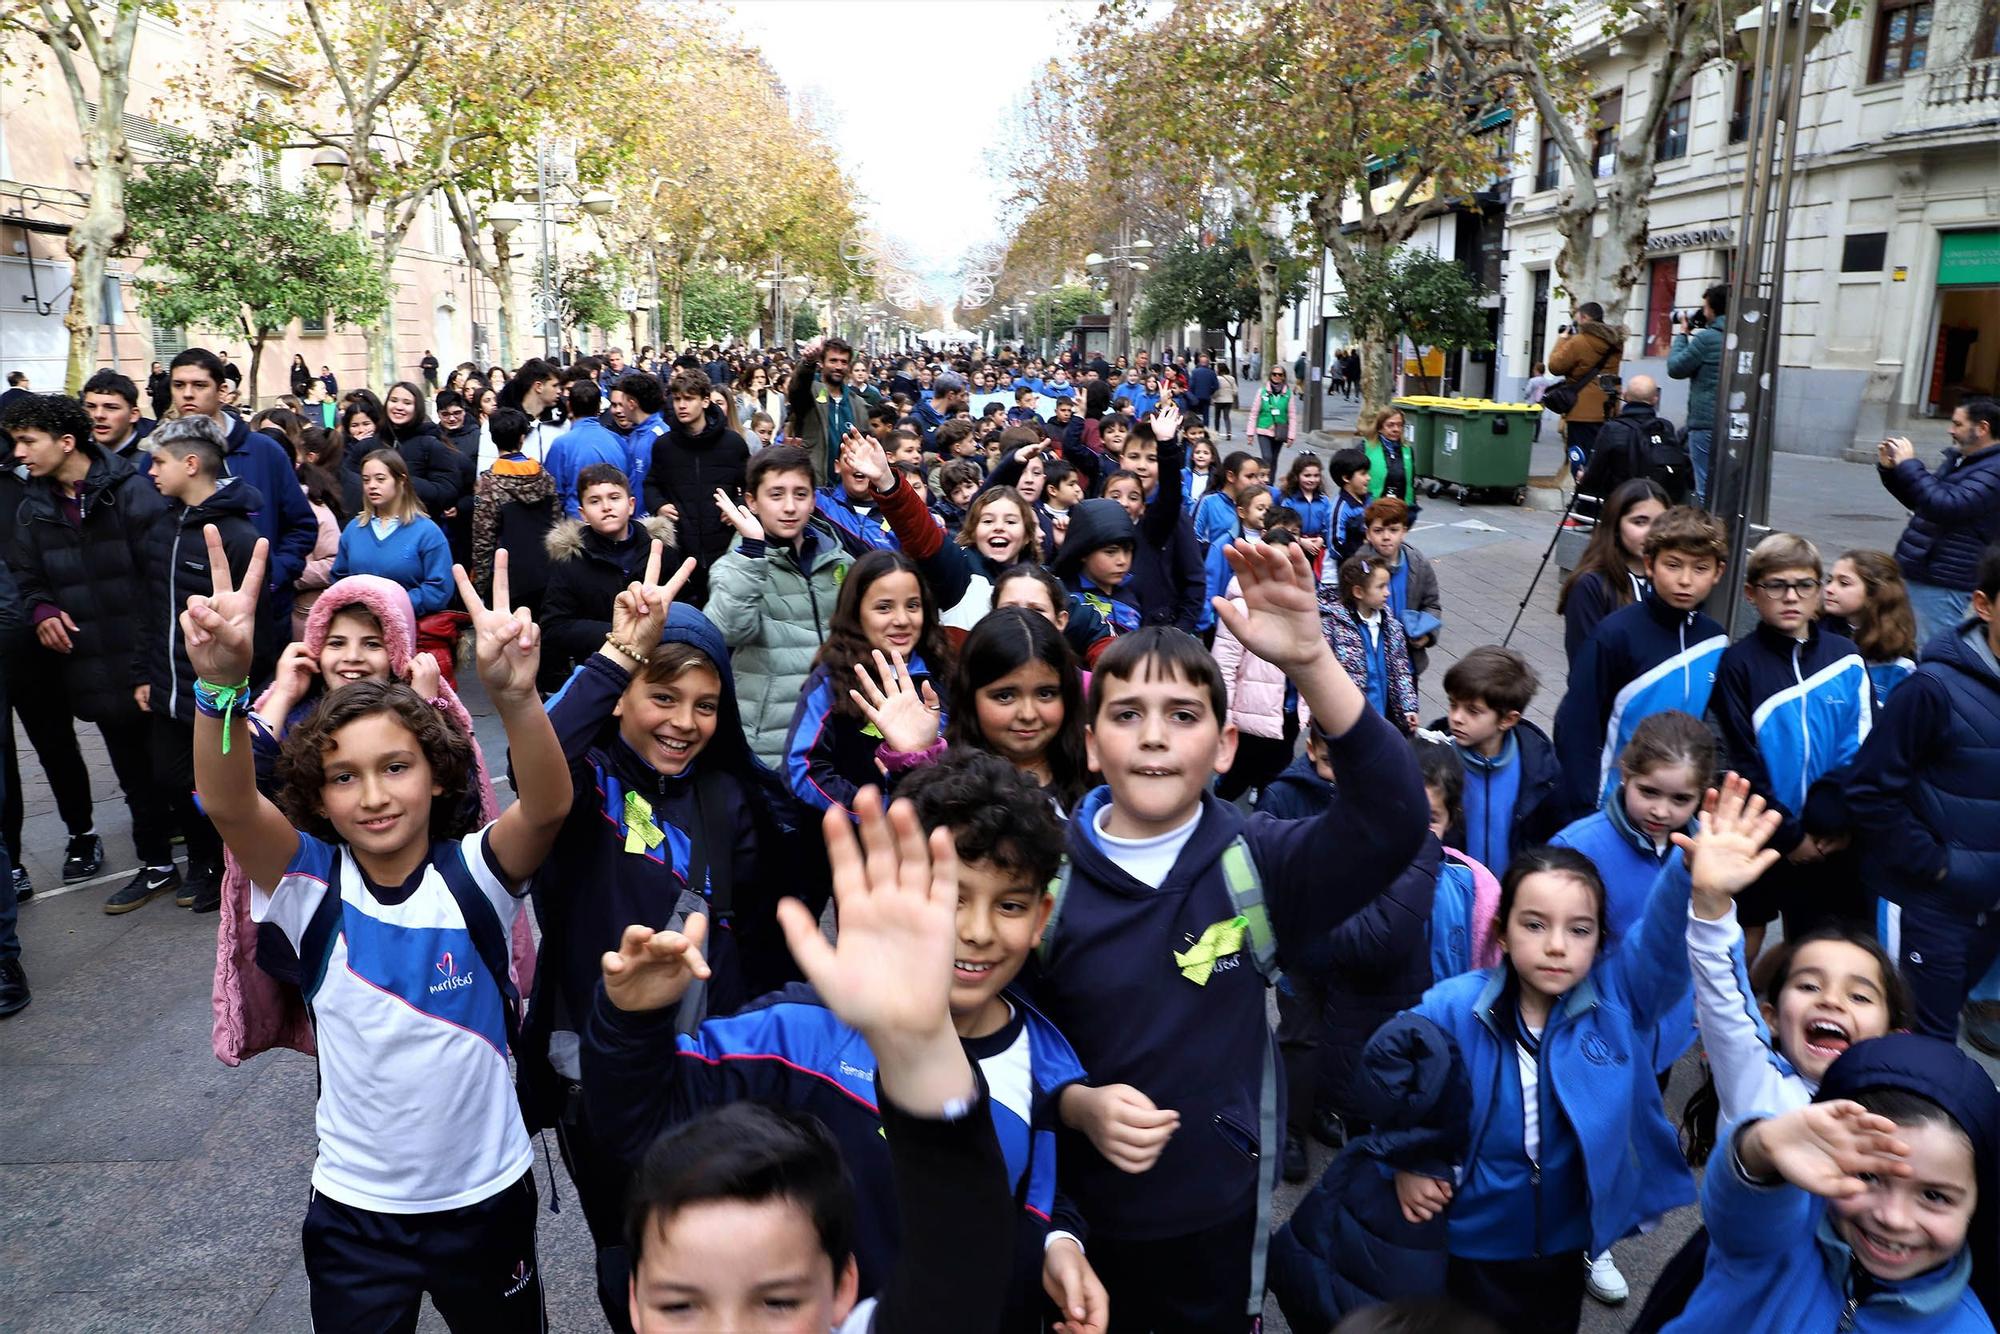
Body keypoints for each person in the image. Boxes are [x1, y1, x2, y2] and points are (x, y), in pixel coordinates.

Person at [1037, 544, 1428, 1330]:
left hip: (1216, 1216)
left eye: (1183, 716)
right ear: (1088, 745)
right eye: (1125, 715)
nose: (1154, 737)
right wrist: (1073, 1104)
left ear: (1223, 747)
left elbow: (1394, 816)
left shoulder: (1261, 859)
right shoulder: (1042, 882)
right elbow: (1000, 1042)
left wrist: (1314, 659)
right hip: (1078, 1224)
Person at [190, 534, 569, 1331]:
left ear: (438, 773)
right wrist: (220, 687)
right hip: (357, 1212)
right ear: (318, 798)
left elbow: (547, 807)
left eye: (395, 767)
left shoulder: (477, 874)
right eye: (343, 776)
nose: (372, 795)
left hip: (487, 1196)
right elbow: (227, 804)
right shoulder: (307, 887)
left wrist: (518, 699)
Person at [521, 553, 821, 1330]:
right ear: (619, 699)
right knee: (630, 1262)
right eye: (661, 696)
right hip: (598, 1072)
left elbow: (769, 923)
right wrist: (615, 656)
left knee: (717, 1252)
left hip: (709, 1068)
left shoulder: (731, 795)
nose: (683, 723)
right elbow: (536, 763)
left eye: (705, 704)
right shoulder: (581, 785)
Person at [602, 786, 1020, 1334]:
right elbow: (641, 1120)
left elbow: (964, 1266)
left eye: (777, 1302)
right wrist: (633, 1023)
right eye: (681, 1305)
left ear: (844, 1287)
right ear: (633, 1298)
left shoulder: (1049, 1058)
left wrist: (919, 1051)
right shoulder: (791, 1031)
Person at [1393, 813, 1753, 1332]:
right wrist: (1412, 1160)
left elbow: (1659, 943)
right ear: (1501, 929)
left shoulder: (1616, 1006)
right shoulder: (1452, 1007)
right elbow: (1397, 1083)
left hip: (1562, 1245)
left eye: (1578, 929)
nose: (1556, 944)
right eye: (1534, 924)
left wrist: (1689, 875)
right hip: (1470, 1243)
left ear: (1600, 940)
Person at [1663, 1033, 2000, 1334]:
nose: (1892, 1217)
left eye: (1934, 1195)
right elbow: (1741, 1208)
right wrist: (1760, 1147)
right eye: (1867, 1174)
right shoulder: (1781, 1234)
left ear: (1977, 1206)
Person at [5, 390, 179, 913]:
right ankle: (156, 867)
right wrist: (41, 610)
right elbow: (26, 577)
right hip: (92, 667)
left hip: (148, 659)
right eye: (15, 442)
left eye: (27, 441)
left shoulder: (129, 490)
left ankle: (214, 862)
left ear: (65, 441)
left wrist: (152, 662)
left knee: (174, 770)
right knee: (130, 775)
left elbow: (160, 579)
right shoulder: (32, 508)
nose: (19, 453)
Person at [1848, 542, 2000, 1042]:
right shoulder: (1933, 688)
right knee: (1914, 1043)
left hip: (1987, 911)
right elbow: (1869, 790)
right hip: (1927, 904)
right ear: (1983, 604)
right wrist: (1937, 865)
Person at [1711, 532, 1873, 950]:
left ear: (1819, 592)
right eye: (1776, 585)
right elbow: (1739, 758)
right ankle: (1733, 1015)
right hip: (1762, 833)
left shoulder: (1846, 659)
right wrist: (1788, 834)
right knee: (1747, 930)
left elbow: (1864, 750)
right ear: (1751, 593)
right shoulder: (1738, 664)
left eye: (1804, 585)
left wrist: (1840, 823)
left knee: (1819, 944)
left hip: (1832, 841)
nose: (1791, 597)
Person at [136, 416, 264, 915]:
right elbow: (150, 606)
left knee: (215, 785)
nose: (151, 471)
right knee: (171, 779)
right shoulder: (162, 525)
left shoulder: (235, 535)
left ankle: (222, 864)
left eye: (160, 461)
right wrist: (143, 673)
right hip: (166, 682)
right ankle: (204, 858)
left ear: (191, 464)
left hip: (213, 691)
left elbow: (257, 630)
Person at [1553, 505, 1729, 821]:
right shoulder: (1615, 635)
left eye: (1700, 568)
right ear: (1650, 564)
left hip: (1677, 808)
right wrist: (1582, 808)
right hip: (1610, 808)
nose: (1686, 580)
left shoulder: (1715, 639)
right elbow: (1577, 725)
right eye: (1673, 565)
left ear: (1718, 572)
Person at [708, 445, 855, 769]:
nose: (790, 507)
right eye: (776, 495)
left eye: (800, 494)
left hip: (836, 731)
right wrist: (752, 551)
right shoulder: (735, 567)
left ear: (814, 499)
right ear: (752, 501)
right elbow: (728, 629)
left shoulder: (841, 562)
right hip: (772, 744)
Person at [783, 549, 952, 819]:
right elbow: (801, 770)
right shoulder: (832, 678)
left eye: (912, 605)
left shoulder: (940, 670)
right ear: (856, 611)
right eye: (884, 607)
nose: (902, 620)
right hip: (861, 843)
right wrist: (875, 812)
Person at [169, 348, 318, 647]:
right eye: (178, 385)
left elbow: (302, 525)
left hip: (263, 617)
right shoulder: (159, 460)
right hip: (187, 619)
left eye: (198, 386)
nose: (187, 394)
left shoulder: (266, 452)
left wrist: (273, 574)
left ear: (222, 390)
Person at [1879, 396, 2000, 645]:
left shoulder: (1994, 469)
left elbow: (1946, 505)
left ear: (1982, 428)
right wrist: (1892, 471)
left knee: (1930, 650)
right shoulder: (1966, 460)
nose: (1950, 430)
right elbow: (1925, 502)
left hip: (1944, 579)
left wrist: (1910, 465)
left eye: (1957, 424)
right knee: (1900, 643)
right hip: (1924, 567)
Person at [1434, 645, 1561, 882]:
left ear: (1507, 719)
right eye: (1453, 704)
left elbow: (1549, 836)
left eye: (1473, 710)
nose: (1456, 717)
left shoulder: (1540, 766)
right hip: (1453, 893)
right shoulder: (1434, 758)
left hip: (1512, 895)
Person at [541, 463, 679, 679]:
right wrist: (617, 633)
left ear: (631, 504)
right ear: (583, 513)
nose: (606, 507)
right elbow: (555, 627)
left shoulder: (660, 551)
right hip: (600, 669)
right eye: (594, 501)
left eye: (614, 497)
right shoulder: (570, 560)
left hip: (657, 669)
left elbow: (684, 606)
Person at [1213, 525, 1305, 800]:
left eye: (1286, 562)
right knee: (1233, 782)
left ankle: (1262, 834)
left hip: (1286, 716)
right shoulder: (1241, 607)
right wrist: (1224, 717)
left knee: (1274, 782)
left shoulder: (1300, 608)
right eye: (1271, 561)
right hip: (1248, 719)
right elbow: (1224, 668)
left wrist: (1306, 706)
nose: (1279, 569)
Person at [644, 368, 749, 607]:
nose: (681, 405)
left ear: (704, 401)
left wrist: (738, 509)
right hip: (682, 549)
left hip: (724, 548)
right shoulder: (664, 446)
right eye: (677, 398)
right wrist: (659, 505)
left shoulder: (732, 444)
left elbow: (751, 488)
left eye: (689, 398)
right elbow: (651, 484)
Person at [1556, 479, 1670, 665]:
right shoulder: (1590, 585)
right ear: (1616, 525)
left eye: (1660, 523)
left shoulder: (1670, 581)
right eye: (1639, 522)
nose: (1651, 533)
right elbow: (1585, 667)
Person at [333, 448, 453, 617]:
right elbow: (339, 577)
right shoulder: (354, 529)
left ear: (401, 480)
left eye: (380, 479)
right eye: (366, 480)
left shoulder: (426, 532)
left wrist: (392, 604)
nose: (372, 486)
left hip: (410, 629)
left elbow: (439, 589)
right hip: (360, 626)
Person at [1322, 552, 1419, 732]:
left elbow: (1401, 671)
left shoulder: (1392, 626)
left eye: (1387, 586)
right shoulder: (1333, 626)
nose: (1387, 593)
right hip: (1349, 720)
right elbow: (1323, 674)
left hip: (1385, 718)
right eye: (1381, 587)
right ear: (1358, 592)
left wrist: (1408, 707)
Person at [1575, 375, 1690, 514]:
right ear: (1655, 399)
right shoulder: (1665, 427)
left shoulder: (1612, 429)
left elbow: (1595, 472)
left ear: (1625, 396)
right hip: (1660, 501)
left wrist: (1583, 477)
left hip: (1622, 502)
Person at [1822, 548, 1919, 701]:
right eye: (1829, 581)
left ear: (1874, 594)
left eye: (1844, 583)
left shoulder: (1900, 662)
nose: (1828, 589)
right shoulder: (1816, 631)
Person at [1546, 302, 1628, 474]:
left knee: (1581, 460)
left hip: (1581, 412)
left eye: (1577, 319)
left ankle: (1583, 496)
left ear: (1583, 317)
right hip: (1608, 408)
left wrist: (1562, 340)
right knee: (1601, 460)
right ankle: (1598, 496)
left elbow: (1555, 366)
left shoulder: (1579, 342)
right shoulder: (1616, 343)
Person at [1666, 285, 1726, 504]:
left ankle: (1707, 534)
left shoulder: (1707, 339)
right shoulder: (1743, 334)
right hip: (1736, 424)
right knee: (1728, 483)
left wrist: (1683, 335)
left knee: (1705, 485)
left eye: (1705, 306)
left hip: (1706, 421)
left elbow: (1675, 368)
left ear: (1713, 309)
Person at [787, 337, 871, 480]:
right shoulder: (809, 393)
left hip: (847, 487)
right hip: (815, 484)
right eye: (833, 360)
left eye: (844, 362)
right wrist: (808, 363)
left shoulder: (858, 404)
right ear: (822, 363)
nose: (838, 366)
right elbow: (797, 387)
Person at [544, 379, 629, 519]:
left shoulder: (561, 445)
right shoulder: (618, 440)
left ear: (569, 406)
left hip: (579, 527)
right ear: (599, 406)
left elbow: (552, 493)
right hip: (616, 521)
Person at [611, 371, 670, 500]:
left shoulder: (661, 436)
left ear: (632, 404)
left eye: (622, 403)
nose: (620, 409)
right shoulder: (635, 434)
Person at [1194, 450, 1270, 549]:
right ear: (1230, 476)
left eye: (1256, 476)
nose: (1256, 482)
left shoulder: (1255, 506)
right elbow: (1192, 540)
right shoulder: (1209, 502)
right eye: (1250, 476)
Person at [81, 368, 152, 465]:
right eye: (91, 407)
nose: (98, 415)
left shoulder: (156, 456)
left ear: (133, 415)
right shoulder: (75, 451)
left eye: (111, 408)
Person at [1280, 452, 1333, 567]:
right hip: (1296, 546)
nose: (1312, 480)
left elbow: (1329, 524)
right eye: (1307, 475)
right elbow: (1283, 526)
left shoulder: (1324, 500)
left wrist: (1322, 539)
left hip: (1318, 547)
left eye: (1316, 476)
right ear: (1297, 476)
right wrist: (1300, 541)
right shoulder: (1289, 501)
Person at [1365, 408, 1418, 505]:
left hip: (1401, 509)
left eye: (1400, 425)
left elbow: (1410, 483)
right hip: (1373, 508)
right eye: (1390, 425)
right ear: (1380, 427)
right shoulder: (1366, 448)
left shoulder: (1407, 450)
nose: (1396, 429)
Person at [1247, 365, 1293, 472]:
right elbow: (1254, 413)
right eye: (1274, 374)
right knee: (1267, 457)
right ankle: (1264, 481)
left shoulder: (1288, 394)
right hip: (1263, 429)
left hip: (1280, 431)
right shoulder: (1262, 392)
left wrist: (1291, 436)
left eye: (1280, 374)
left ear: (1283, 377)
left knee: (1274, 459)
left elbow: (1292, 416)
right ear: (1270, 375)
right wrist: (1250, 433)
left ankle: (1270, 485)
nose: (1277, 376)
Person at [1214, 364, 1238, 439]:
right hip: (1229, 400)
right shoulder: (1232, 378)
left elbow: (1215, 389)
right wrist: (1230, 394)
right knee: (1226, 416)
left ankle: (1216, 432)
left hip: (1218, 400)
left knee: (1217, 417)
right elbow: (1235, 391)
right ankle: (1229, 432)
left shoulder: (1217, 378)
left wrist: (1213, 397)